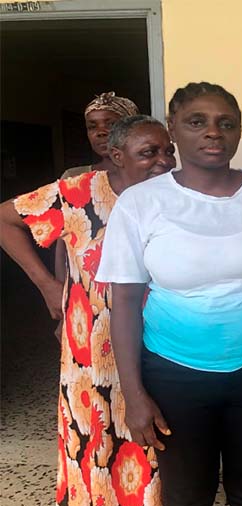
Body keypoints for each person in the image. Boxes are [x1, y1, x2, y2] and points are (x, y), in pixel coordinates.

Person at [95, 82, 242, 506]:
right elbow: (125, 305)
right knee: (187, 499)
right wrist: (133, 394)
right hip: (173, 374)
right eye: (197, 122)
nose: (213, 133)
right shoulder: (141, 203)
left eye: (226, 123)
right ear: (173, 129)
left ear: (239, 134)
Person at [0, 114, 175, 506]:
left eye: (168, 150)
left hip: (161, 342)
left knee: (155, 436)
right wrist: (46, 286)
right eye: (150, 153)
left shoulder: (178, 195)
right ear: (116, 157)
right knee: (93, 436)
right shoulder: (77, 194)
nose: (163, 161)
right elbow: (6, 219)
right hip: (90, 345)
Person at [53, 93, 140, 335]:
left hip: (138, 297)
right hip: (87, 301)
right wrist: (61, 298)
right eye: (93, 126)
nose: (101, 132)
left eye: (111, 124)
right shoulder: (73, 178)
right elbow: (65, 247)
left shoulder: (148, 176)